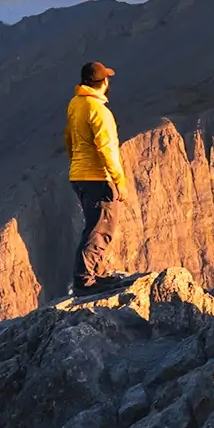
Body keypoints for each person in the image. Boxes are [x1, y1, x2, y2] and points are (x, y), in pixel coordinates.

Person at [66, 60, 131, 294]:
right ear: (103, 82)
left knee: (95, 225)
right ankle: (85, 280)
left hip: (80, 174)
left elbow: (68, 138)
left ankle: (97, 274)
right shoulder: (99, 111)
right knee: (101, 228)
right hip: (97, 177)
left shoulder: (76, 104)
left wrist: (75, 162)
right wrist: (119, 181)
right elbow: (107, 148)